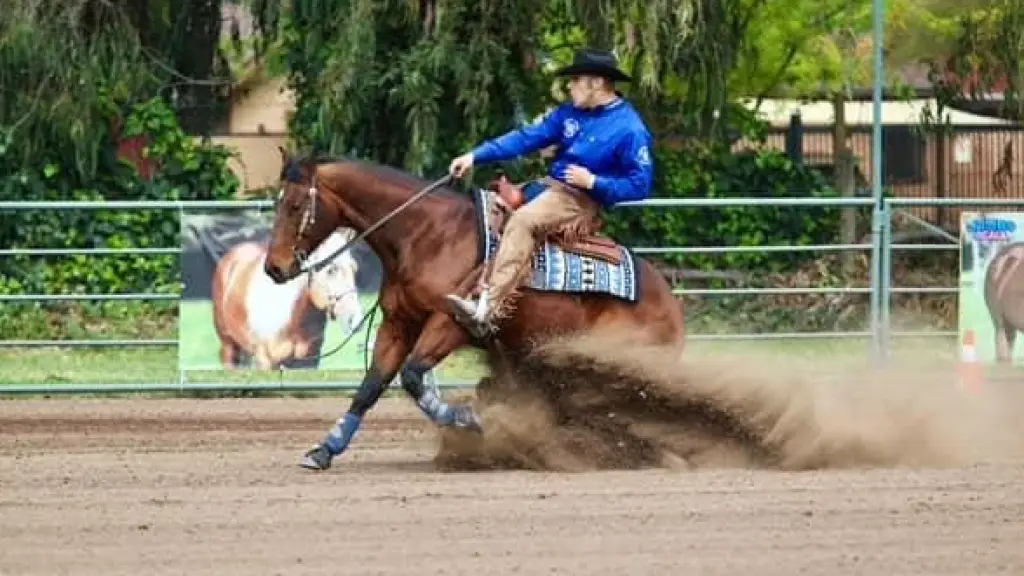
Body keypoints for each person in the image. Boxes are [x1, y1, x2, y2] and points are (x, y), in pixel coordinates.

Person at [444, 47, 656, 335]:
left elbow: (640, 184)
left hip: (579, 199)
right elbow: (527, 137)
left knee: (523, 221)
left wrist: (594, 182)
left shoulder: (630, 129)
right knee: (487, 210)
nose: (569, 86)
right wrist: (474, 156)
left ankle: (487, 306)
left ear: (595, 83)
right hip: (547, 187)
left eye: (575, 79)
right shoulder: (570, 112)